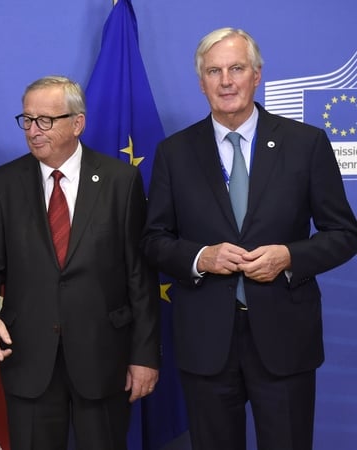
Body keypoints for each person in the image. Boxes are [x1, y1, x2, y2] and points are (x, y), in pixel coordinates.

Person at [142, 27, 357, 450]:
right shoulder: (175, 152)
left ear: (257, 75)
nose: (226, 81)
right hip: (206, 342)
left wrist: (289, 256)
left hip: (285, 338)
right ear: (201, 82)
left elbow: (344, 234)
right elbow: (153, 240)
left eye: (236, 68)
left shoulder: (305, 144)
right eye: (214, 71)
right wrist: (201, 257)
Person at [0, 76, 160, 450]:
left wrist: (145, 356)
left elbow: (140, 275)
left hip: (104, 358)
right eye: (27, 120)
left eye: (45, 120)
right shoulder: (5, 182)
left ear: (77, 123)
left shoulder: (121, 181)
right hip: (28, 356)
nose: (34, 131)